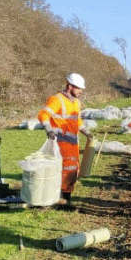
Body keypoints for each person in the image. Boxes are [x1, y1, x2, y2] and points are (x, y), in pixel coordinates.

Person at [39, 73, 86, 203]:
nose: (81, 91)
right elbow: (43, 114)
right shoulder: (57, 99)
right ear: (70, 86)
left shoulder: (76, 103)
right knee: (61, 171)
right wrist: (49, 129)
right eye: (79, 88)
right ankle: (62, 199)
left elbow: (77, 121)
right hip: (60, 144)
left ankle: (66, 198)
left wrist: (87, 132)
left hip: (73, 145)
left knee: (72, 171)